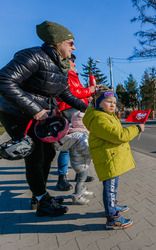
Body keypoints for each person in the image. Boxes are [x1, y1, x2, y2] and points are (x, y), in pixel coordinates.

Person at [0, 21, 88, 217]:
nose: (73, 47)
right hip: (16, 113)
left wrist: (90, 111)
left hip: (38, 115)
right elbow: (4, 80)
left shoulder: (60, 65)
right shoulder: (33, 56)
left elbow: (66, 94)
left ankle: (39, 194)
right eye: (70, 43)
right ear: (56, 42)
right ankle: (42, 201)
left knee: (48, 154)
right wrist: (35, 110)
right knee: (35, 155)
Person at [82, 90, 145, 230]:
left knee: (112, 186)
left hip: (111, 158)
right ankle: (112, 218)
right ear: (99, 103)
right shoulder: (100, 118)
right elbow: (118, 136)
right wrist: (136, 129)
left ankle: (113, 207)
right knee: (110, 188)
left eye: (115, 103)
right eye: (109, 101)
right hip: (108, 159)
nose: (112, 105)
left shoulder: (107, 116)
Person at [56, 54, 97, 191]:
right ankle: (62, 178)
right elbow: (70, 93)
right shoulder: (65, 73)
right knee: (69, 143)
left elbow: (76, 93)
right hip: (69, 110)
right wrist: (88, 91)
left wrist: (87, 97)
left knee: (79, 143)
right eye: (73, 62)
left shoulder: (73, 75)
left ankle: (80, 174)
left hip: (76, 110)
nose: (74, 65)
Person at [54, 111, 93, 205]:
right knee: (81, 179)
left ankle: (82, 190)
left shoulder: (72, 133)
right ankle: (77, 196)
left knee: (81, 178)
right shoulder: (82, 136)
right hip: (82, 163)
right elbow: (85, 150)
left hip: (76, 162)